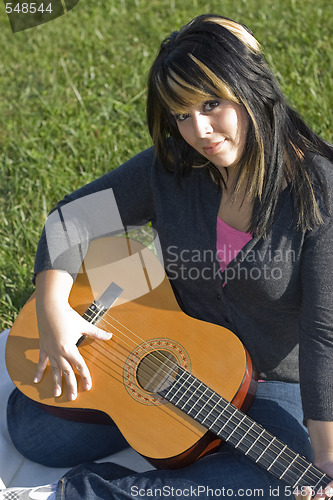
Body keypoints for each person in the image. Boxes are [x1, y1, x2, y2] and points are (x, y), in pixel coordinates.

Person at [3, 13, 333, 500]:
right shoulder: (176, 167)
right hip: (167, 337)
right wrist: (53, 309)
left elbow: (322, 329)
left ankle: (106, 492)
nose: (199, 129)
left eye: (212, 104)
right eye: (181, 114)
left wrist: (326, 451)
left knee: (295, 469)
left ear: (250, 86)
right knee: (34, 431)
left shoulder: (319, 189)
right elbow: (72, 217)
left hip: (265, 379)